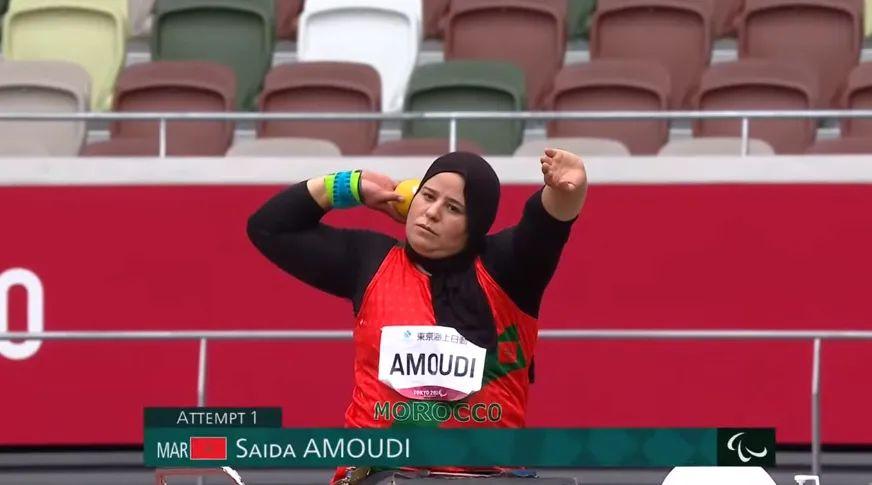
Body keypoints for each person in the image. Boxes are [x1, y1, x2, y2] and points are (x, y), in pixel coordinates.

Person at [247, 149, 587, 484]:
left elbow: (547, 221)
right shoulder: (371, 261)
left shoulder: (509, 269)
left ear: (476, 224)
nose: (432, 212)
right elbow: (269, 229)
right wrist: (350, 186)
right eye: (427, 196)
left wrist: (568, 188)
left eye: (453, 208)